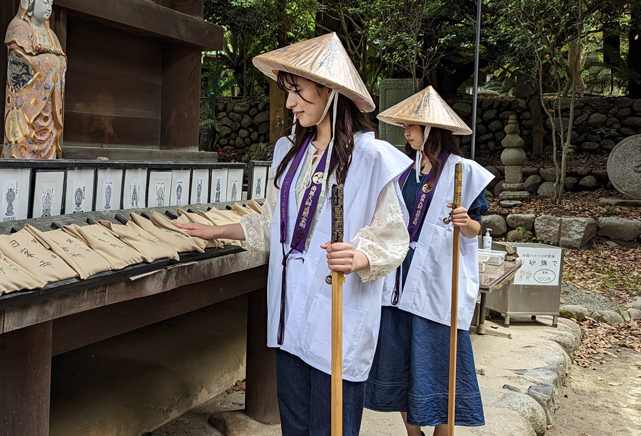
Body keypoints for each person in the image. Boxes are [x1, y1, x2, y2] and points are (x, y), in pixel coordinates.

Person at [175, 32, 411, 436]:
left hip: (338, 311)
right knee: (295, 427)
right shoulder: (288, 152)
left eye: (298, 92)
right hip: (290, 313)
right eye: (287, 92)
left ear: (331, 92)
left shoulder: (371, 157)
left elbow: (394, 238)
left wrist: (360, 256)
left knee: (332, 427)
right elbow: (273, 225)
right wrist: (217, 231)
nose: (289, 103)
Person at [364, 86, 494, 436]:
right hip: (398, 276)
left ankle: (444, 430)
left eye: (412, 126)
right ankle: (413, 431)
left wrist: (466, 223)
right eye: (405, 126)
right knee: (399, 357)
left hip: (439, 278)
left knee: (440, 358)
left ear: (432, 130)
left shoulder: (463, 172)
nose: (406, 132)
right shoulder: (403, 170)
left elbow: (476, 227)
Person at [1, 0, 67, 159]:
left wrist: (56, 63)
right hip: (27, 104)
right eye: (45, 2)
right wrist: (50, 63)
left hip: (49, 105)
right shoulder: (19, 28)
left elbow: (61, 60)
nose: (49, 8)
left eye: (51, 4)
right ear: (30, 1)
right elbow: (19, 63)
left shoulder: (52, 35)